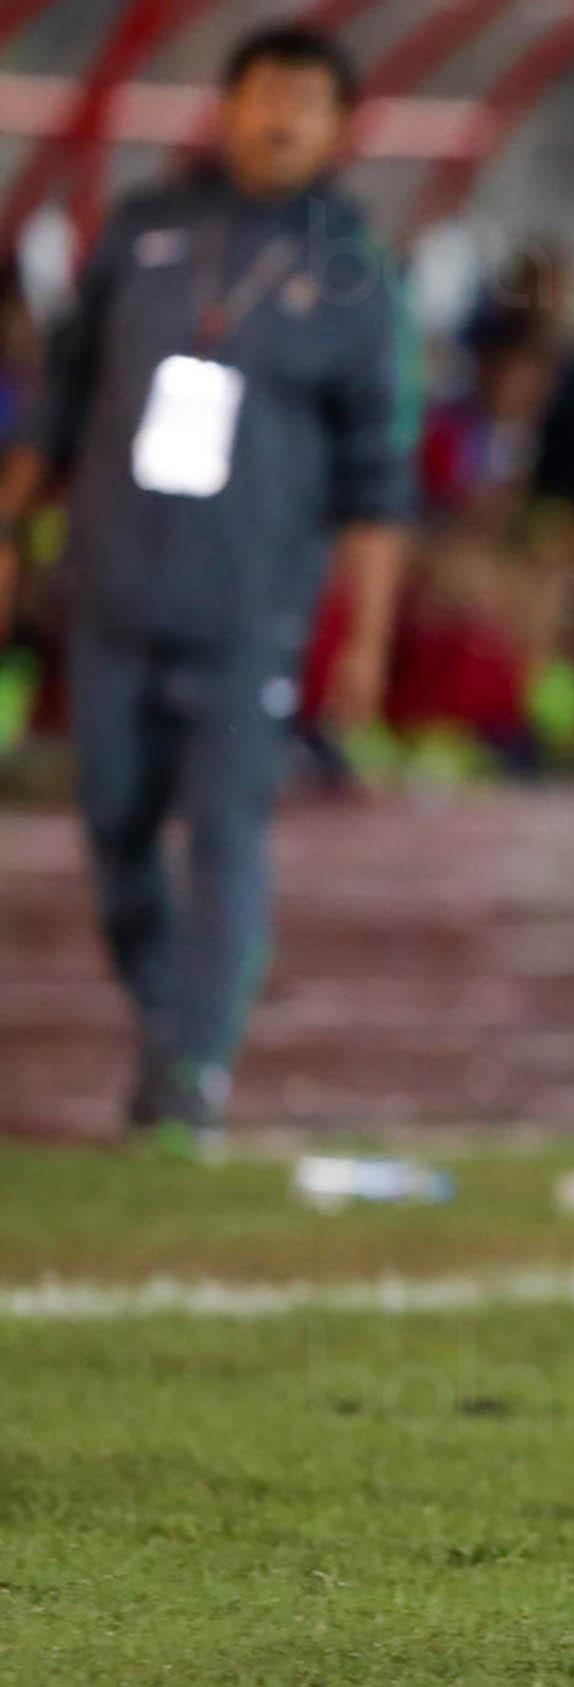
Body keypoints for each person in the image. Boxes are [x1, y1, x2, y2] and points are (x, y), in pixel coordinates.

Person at [0, 25, 413, 1153]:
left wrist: (365, 640)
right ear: (225, 107)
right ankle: (172, 1027)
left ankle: (190, 1073)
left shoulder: (352, 277)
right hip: (114, 592)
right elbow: (61, 404)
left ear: (338, 129)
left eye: (305, 103)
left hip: (250, 614)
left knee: (226, 834)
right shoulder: (143, 235)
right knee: (115, 830)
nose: (279, 118)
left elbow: (380, 482)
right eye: (263, 95)